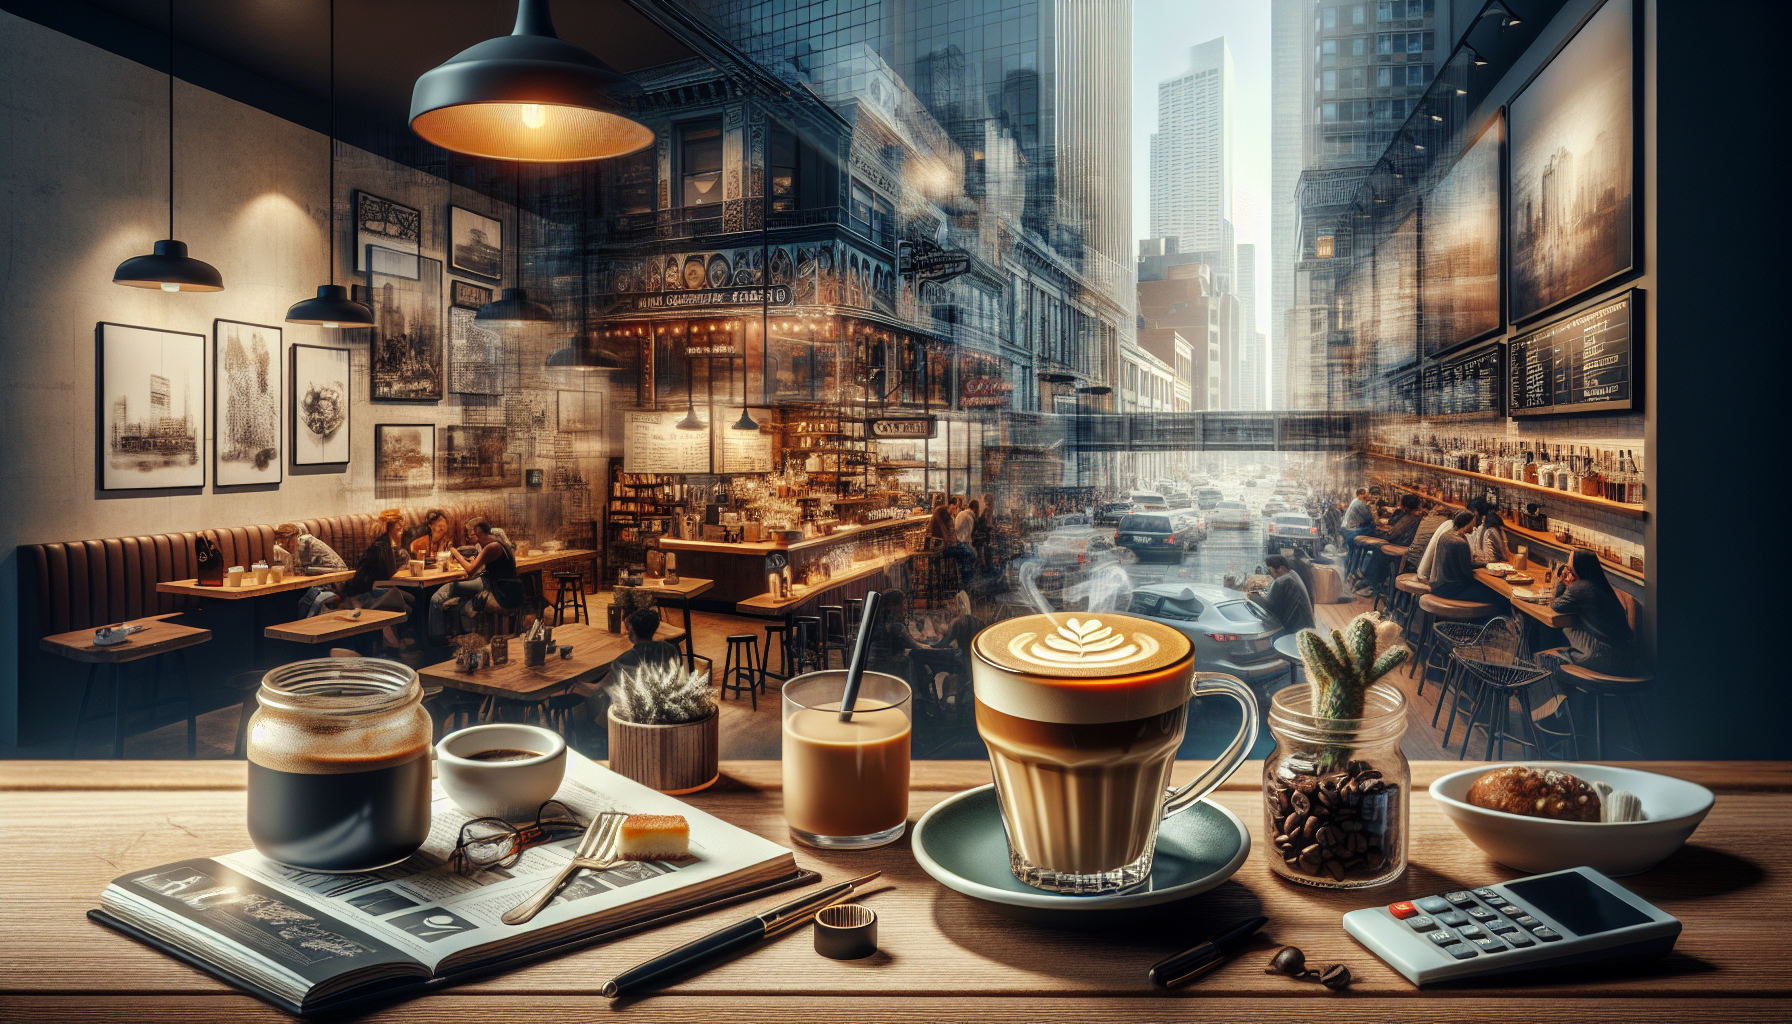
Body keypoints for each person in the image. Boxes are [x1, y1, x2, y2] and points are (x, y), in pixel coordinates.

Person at [569, 607, 685, 724]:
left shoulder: (624, 661)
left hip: (633, 718)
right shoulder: (670, 650)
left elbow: (597, 690)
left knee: (593, 703)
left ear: (632, 632)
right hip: (667, 711)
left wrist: (576, 684)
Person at [1540, 549, 1638, 675]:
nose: (1568, 570)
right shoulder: (1599, 584)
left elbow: (1556, 605)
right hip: (1625, 658)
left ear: (1578, 567)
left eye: (1569, 567)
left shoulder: (1581, 587)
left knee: (1547, 658)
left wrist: (1561, 579)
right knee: (1565, 640)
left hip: (1606, 657)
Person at [430, 518, 523, 637]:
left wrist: (454, 551)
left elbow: (470, 571)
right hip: (500, 588)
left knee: (439, 596)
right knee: (456, 594)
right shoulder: (499, 544)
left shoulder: (491, 547)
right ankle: (453, 635)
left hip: (500, 594)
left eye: (473, 534)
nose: (472, 539)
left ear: (479, 531)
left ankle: (437, 638)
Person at [340, 510, 416, 642]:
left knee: (412, 598)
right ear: (389, 530)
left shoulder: (388, 545)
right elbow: (384, 576)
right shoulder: (382, 547)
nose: (402, 532)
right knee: (412, 600)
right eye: (398, 529)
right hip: (365, 592)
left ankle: (403, 641)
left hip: (374, 587)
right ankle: (403, 643)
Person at [905, 591, 982, 711]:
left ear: (959, 606)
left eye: (953, 605)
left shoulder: (958, 621)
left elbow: (943, 644)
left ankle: (922, 696)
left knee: (915, 654)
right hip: (971, 660)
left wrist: (928, 644)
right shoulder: (977, 622)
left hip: (962, 661)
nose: (950, 608)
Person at [1428, 511, 1503, 604]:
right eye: (1472, 524)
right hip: (1452, 589)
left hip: (1438, 585)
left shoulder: (1447, 534)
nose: (1474, 526)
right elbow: (1467, 573)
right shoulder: (1460, 543)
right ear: (1466, 524)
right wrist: (1489, 565)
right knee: (1497, 596)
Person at [1358, 494, 1423, 597]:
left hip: (1401, 549)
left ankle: (1371, 583)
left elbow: (1392, 534)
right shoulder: (1417, 518)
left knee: (1379, 550)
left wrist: (1383, 534)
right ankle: (1370, 581)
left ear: (1405, 507)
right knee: (1380, 547)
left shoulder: (1408, 518)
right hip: (1406, 548)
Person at [1259, 554, 1314, 636]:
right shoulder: (1292, 574)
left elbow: (1269, 609)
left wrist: (1254, 598)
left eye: (1271, 571)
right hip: (1305, 628)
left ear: (1281, 569)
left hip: (1296, 632)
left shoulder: (1284, 580)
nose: (1270, 575)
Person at [272, 523, 347, 575]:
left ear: (296, 536)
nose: (288, 546)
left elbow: (300, 571)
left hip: (336, 577)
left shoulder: (305, 542)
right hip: (325, 577)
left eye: (291, 540)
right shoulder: (281, 549)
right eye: (282, 541)